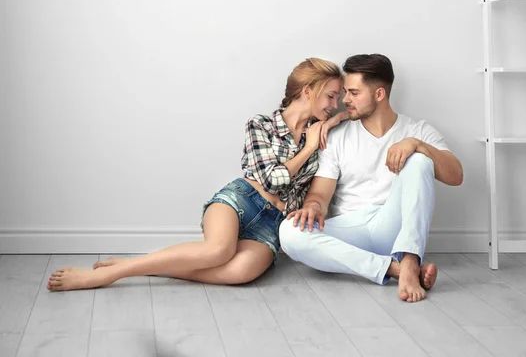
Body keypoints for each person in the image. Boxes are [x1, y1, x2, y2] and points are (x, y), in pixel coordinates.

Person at [47, 57, 349, 291]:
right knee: (218, 251)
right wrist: (307, 149)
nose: (335, 105)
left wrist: (338, 120)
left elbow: (346, 121)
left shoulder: (320, 132)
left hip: (274, 226)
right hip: (241, 201)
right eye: (331, 97)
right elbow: (271, 179)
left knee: (240, 273)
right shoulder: (260, 125)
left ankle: (139, 264)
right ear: (308, 90)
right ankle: (111, 275)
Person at [279, 54, 464, 303]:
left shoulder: (417, 130)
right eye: (345, 92)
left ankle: (409, 258)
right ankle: (395, 270)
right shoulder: (336, 136)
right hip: (351, 229)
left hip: (394, 227)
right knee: (289, 232)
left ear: (379, 94)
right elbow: (320, 194)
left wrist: (417, 145)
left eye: (354, 93)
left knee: (420, 159)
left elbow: (456, 176)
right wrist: (312, 207)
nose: (345, 100)